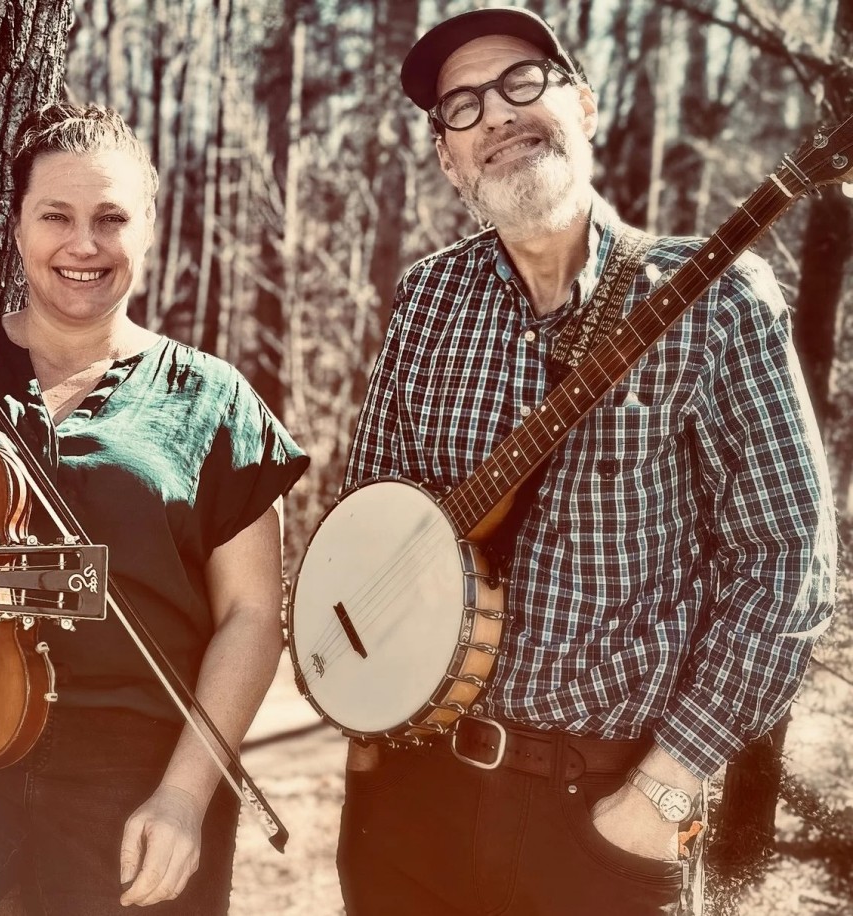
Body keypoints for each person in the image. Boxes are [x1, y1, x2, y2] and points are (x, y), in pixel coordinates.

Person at [335, 8, 835, 916]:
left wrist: (663, 793)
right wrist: (366, 762)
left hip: (598, 813)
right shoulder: (427, 299)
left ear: (586, 104)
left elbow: (787, 568)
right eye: (463, 106)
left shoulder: (718, 302)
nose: (496, 115)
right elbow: (372, 516)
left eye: (523, 82)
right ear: (448, 158)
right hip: (410, 804)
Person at [0, 102, 308, 915]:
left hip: (133, 754)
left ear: (148, 233)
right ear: (17, 229)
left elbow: (254, 618)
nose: (83, 245)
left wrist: (186, 797)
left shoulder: (214, 398)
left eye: (111, 219)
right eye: (56, 216)